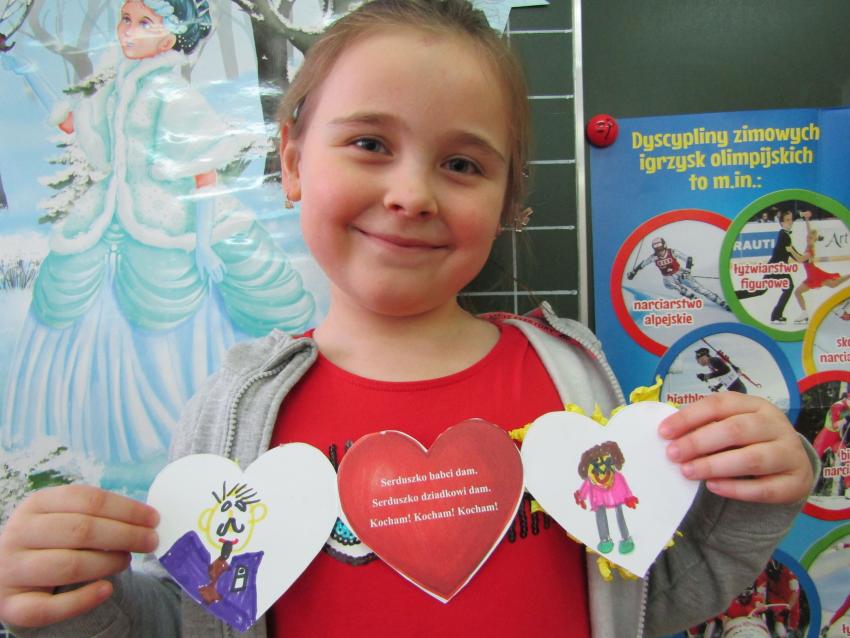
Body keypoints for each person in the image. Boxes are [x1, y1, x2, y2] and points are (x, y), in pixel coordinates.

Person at [0, 0, 816, 636]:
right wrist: (72, 598)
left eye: (462, 163)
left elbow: (645, 598)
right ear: (292, 161)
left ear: (508, 201)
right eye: (368, 144)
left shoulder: (569, 375)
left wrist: (753, 497)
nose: (411, 194)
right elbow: (194, 619)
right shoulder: (235, 412)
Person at [1, 0, 315, 472]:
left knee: (175, 313)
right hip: (109, 223)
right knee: (76, 299)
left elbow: (204, 175)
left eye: (144, 22)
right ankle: (98, 441)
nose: (128, 31)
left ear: (170, 35)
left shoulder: (174, 97)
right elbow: (73, 124)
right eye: (125, 20)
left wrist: (203, 241)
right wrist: (28, 72)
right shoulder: (114, 92)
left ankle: (178, 435)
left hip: (169, 225)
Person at [736, 209, 807, 324]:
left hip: (775, 267)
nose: (790, 222)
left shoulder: (784, 233)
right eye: (787, 220)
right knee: (788, 288)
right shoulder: (784, 236)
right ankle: (776, 316)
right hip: (776, 268)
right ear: (782, 223)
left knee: (761, 290)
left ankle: (735, 295)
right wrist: (805, 259)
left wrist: (801, 214)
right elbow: (794, 255)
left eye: (791, 220)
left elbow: (792, 253)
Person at [626, 237, 731, 310]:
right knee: (672, 285)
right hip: (668, 277)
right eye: (656, 248)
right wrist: (633, 272)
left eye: (660, 247)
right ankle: (688, 294)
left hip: (680, 272)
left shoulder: (672, 252)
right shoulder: (653, 257)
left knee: (700, 289)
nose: (659, 251)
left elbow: (688, 258)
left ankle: (721, 303)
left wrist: (688, 270)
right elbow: (643, 264)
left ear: (664, 245)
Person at [792, 209, 850, 325]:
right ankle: (804, 314)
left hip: (814, 275)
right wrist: (807, 219)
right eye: (808, 237)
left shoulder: (810, 250)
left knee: (799, 292)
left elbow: (800, 259)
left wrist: (791, 250)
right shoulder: (809, 244)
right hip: (812, 275)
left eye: (810, 238)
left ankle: (804, 314)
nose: (808, 238)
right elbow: (809, 232)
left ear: (814, 240)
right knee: (832, 284)